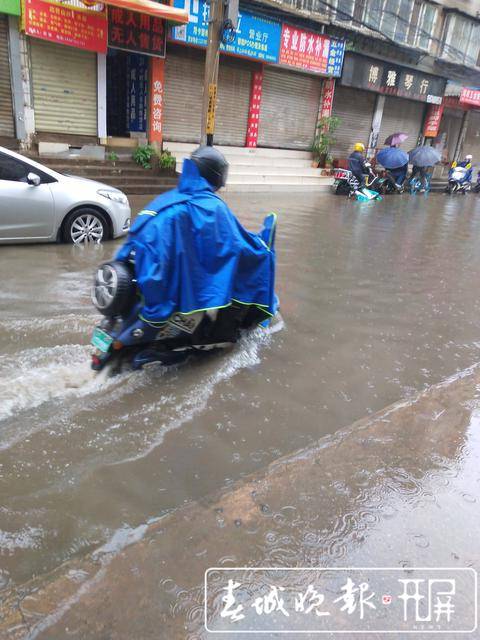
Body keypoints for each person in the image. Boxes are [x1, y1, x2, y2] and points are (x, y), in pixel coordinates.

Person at [115, 146, 277, 334]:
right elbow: (233, 244)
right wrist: (262, 250)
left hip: (144, 273)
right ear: (216, 174)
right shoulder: (211, 206)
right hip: (159, 281)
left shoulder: (169, 198)